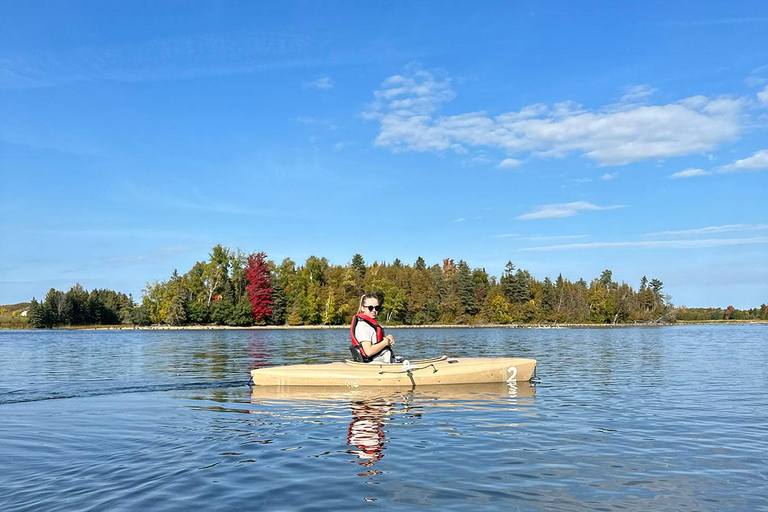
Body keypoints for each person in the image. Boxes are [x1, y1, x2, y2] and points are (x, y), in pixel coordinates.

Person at [350, 293, 396, 363]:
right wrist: (385, 342)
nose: (374, 310)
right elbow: (368, 351)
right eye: (370, 308)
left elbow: (377, 341)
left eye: (377, 308)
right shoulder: (363, 326)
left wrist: (388, 337)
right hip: (374, 363)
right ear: (363, 308)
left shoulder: (370, 324)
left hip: (383, 360)